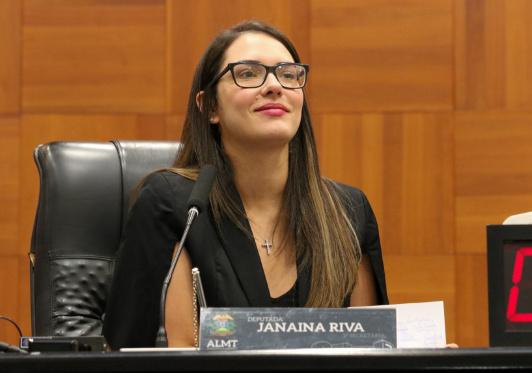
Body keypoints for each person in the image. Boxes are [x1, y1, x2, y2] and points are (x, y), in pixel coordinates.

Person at [102, 20, 389, 349]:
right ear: (209, 106)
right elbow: (133, 353)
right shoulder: (175, 206)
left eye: (288, 74)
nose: (274, 86)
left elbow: (372, 351)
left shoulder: (348, 211)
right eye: (249, 73)